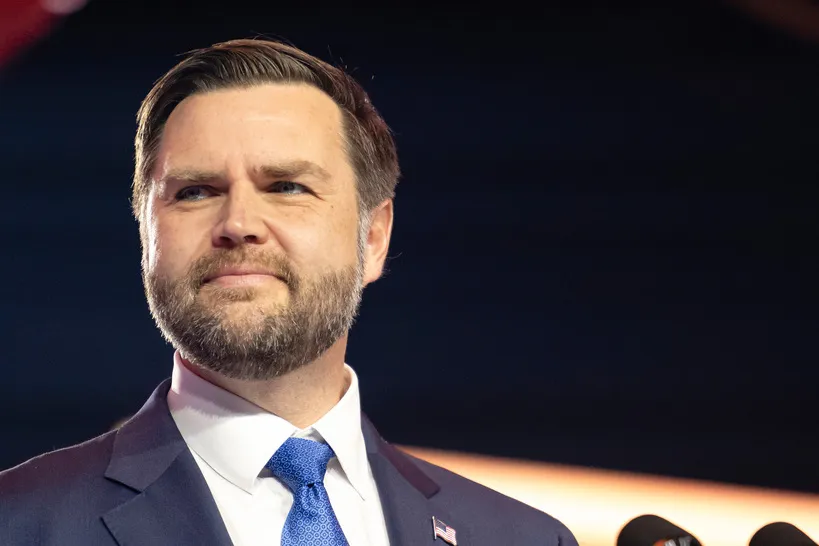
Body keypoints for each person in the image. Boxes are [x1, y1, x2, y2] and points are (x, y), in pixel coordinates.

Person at [0, 39, 578, 546]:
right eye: (195, 191)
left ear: (373, 237)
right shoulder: (19, 524)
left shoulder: (523, 538)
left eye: (286, 186)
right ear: (147, 234)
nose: (238, 223)